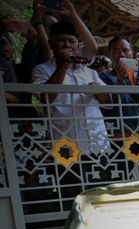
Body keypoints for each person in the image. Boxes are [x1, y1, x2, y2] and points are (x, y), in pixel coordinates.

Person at [32, 20, 111, 156]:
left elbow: (108, 102)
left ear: (77, 46)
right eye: (61, 40)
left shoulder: (90, 72)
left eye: (71, 41)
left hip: (99, 144)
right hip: (66, 147)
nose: (67, 44)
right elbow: (45, 99)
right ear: (51, 43)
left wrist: (98, 91)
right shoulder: (41, 70)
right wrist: (63, 66)